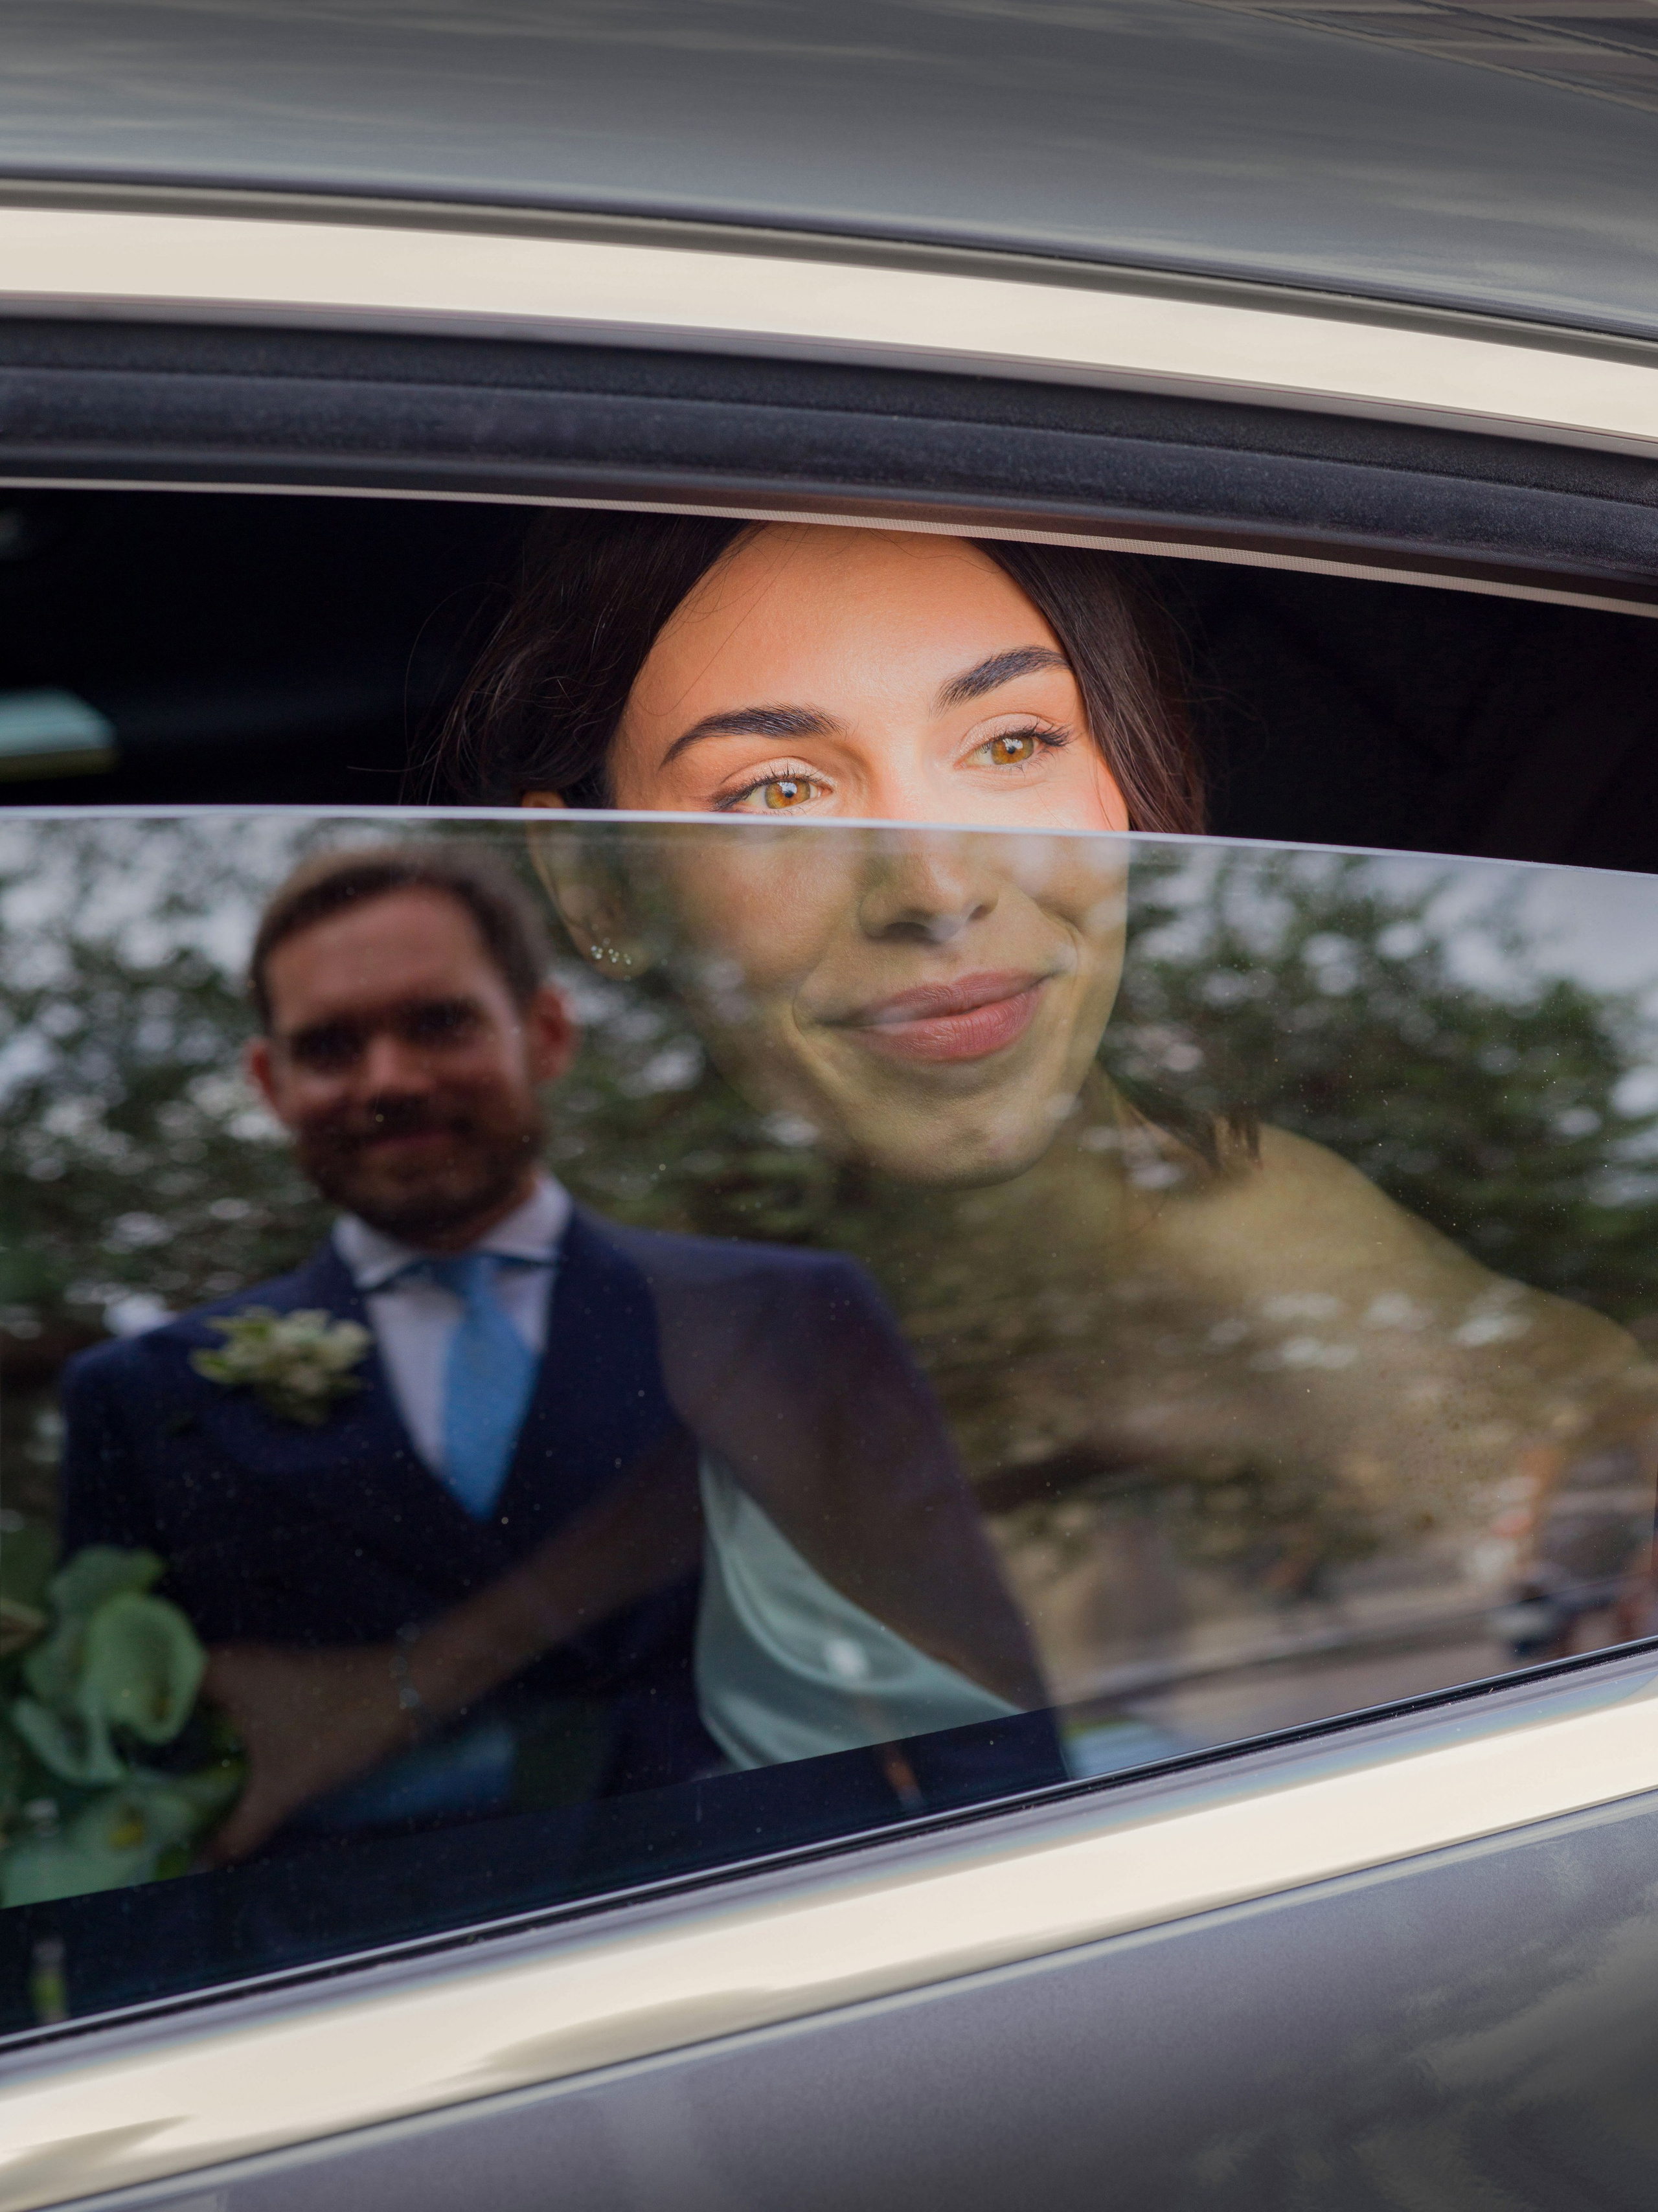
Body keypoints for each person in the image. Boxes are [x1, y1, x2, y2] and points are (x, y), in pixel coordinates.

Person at [435, 513, 1658, 1617]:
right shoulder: (603, 1279)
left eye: (1013, 745)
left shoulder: (1258, 1265)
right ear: (595, 878)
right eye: (780, 791)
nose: (939, 886)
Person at [58, 843, 1047, 1864]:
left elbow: (972, 1699)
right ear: (270, 1082)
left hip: (774, 1935)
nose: (388, 1079)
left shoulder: (790, 1320)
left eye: (439, 1023)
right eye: (330, 1047)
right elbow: (125, 1816)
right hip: (369, 1992)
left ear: (545, 1033)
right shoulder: (142, 1402)